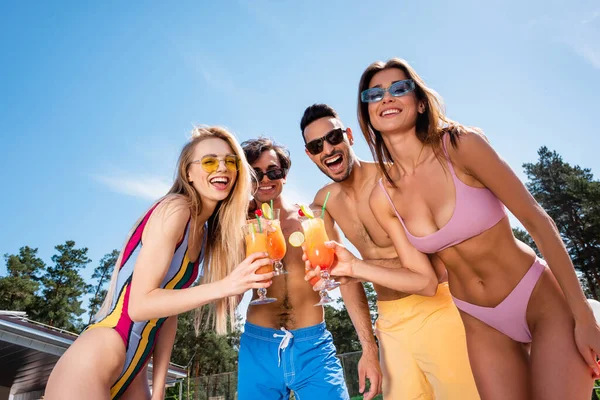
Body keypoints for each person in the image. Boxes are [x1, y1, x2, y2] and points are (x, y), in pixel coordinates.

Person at [353, 57, 600, 399]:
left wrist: (583, 315)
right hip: (479, 320)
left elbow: (537, 221)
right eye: (374, 94)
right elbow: (422, 279)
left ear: (420, 102)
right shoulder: (383, 197)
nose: (387, 98)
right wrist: (350, 267)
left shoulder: (460, 145)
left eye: (399, 88)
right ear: (367, 113)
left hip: (537, 301)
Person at [45, 126, 274, 400]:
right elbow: (140, 305)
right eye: (210, 161)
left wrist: (159, 388)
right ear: (188, 173)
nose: (222, 168)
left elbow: (168, 313)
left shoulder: (202, 234)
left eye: (230, 161)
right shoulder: (176, 209)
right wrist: (225, 285)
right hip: (99, 354)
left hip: (135, 369)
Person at [301, 104, 480, 399]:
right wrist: (369, 350)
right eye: (316, 145)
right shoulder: (324, 202)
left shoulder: (391, 178)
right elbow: (345, 279)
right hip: (389, 323)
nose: (328, 149)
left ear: (348, 136)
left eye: (333, 137)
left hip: (438, 308)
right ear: (310, 154)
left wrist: (358, 266)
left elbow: (427, 268)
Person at [236, 137, 366, 399]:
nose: (265, 179)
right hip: (258, 347)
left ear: (284, 175)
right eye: (255, 173)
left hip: (313, 347)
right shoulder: (239, 224)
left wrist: (369, 350)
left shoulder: (314, 217)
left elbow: (348, 280)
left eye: (273, 171)